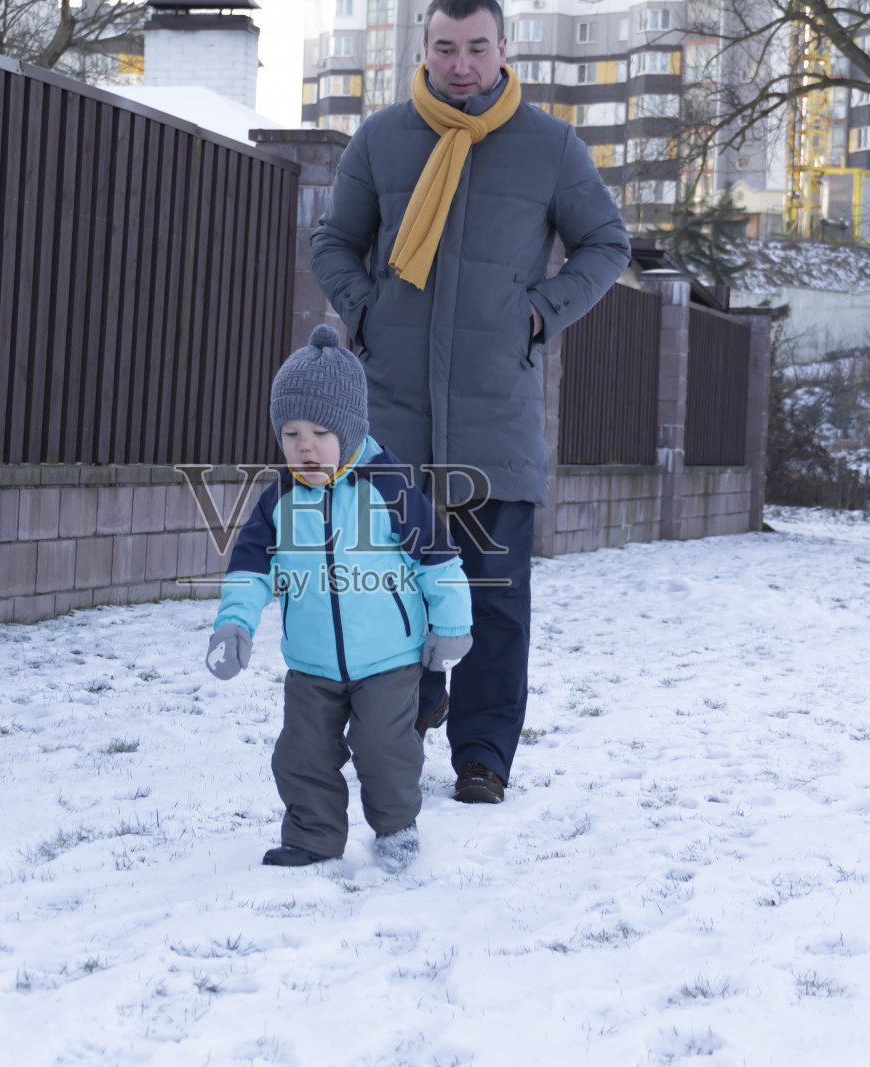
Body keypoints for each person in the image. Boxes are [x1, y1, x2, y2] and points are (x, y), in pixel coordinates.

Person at [310, 0, 632, 805]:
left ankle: (483, 755)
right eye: (446, 48)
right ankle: (402, 718)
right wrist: (366, 310)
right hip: (393, 415)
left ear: (502, 48)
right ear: (423, 48)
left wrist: (540, 311)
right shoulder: (382, 139)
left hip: (497, 416)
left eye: (476, 48)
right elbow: (333, 243)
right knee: (387, 584)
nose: (462, 65)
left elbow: (606, 244)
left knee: (493, 596)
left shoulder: (551, 147)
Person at [205, 324, 473, 870]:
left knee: (383, 750)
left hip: (390, 658)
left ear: (351, 430)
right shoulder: (277, 499)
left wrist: (451, 628)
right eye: (291, 432)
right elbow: (250, 570)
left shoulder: (389, 486)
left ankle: (396, 828)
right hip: (312, 662)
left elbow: (438, 560)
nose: (304, 445)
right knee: (300, 754)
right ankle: (313, 837)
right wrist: (235, 626)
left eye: (321, 432)